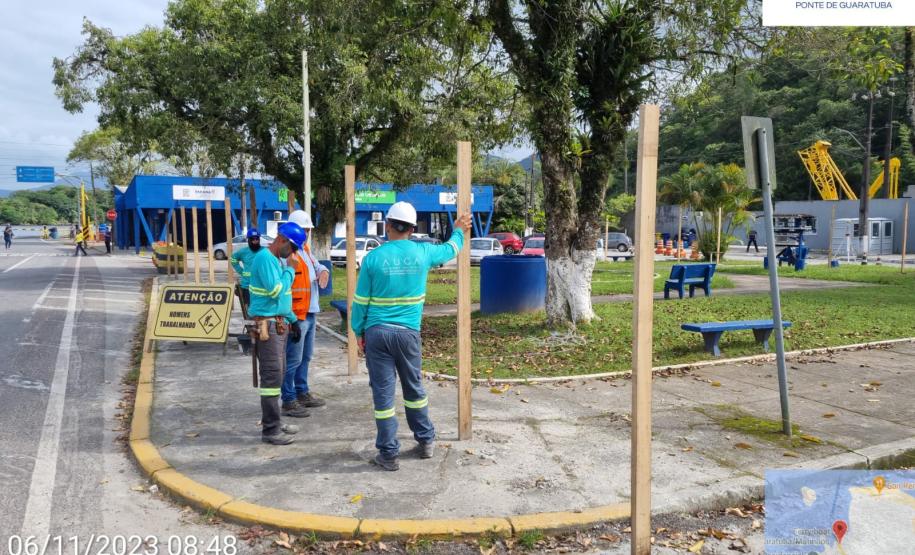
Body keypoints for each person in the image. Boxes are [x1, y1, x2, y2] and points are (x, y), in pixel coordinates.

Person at [351, 202, 470, 471]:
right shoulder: (423, 252)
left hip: (377, 334)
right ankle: (426, 440)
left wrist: (358, 331)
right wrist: (459, 230)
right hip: (408, 334)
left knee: (383, 396)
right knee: (414, 390)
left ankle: (388, 453)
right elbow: (451, 249)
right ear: (413, 229)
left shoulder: (372, 258)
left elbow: (360, 302)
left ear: (388, 226)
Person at [247, 222, 307, 445]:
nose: (293, 254)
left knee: (279, 375)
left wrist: (292, 320)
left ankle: (274, 422)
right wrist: (291, 269)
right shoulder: (265, 259)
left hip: (279, 325)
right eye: (292, 248)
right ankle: (270, 431)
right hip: (268, 328)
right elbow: (275, 290)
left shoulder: (274, 261)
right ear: (281, 240)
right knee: (272, 378)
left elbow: (282, 299)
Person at [281, 210, 331, 417]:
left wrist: (323, 272)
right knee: (293, 358)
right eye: (305, 230)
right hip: (296, 315)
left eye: (309, 230)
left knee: (306, 357)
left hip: (310, 312)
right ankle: (288, 399)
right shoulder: (287, 253)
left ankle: (302, 392)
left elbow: (317, 265)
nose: (307, 234)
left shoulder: (305, 249)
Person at [230, 228, 263, 312]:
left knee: (261, 311)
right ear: (248, 240)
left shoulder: (264, 251)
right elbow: (233, 259)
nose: (255, 241)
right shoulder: (243, 252)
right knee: (249, 311)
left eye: (257, 239)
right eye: (253, 239)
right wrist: (241, 271)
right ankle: (251, 325)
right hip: (247, 287)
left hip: (261, 287)